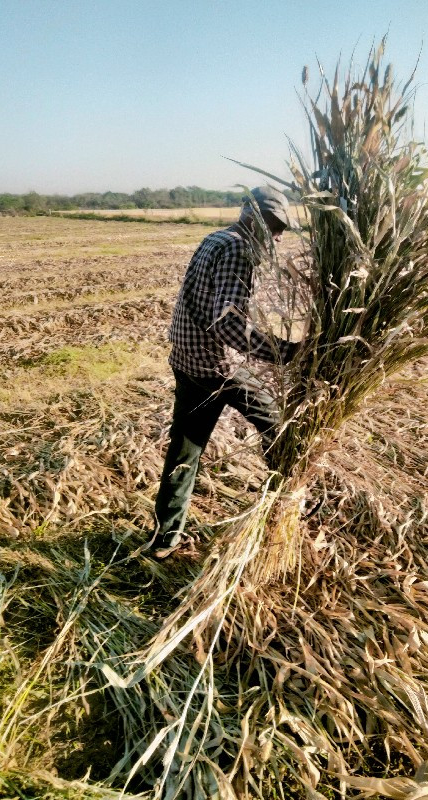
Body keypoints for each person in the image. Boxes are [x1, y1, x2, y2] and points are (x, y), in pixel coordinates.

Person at [149, 186, 299, 559]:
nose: (278, 236)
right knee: (280, 428)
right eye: (273, 225)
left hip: (186, 357)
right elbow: (227, 324)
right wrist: (285, 353)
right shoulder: (238, 248)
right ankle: (284, 508)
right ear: (251, 215)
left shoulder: (216, 237)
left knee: (185, 449)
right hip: (217, 367)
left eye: (282, 227)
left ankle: (166, 537)